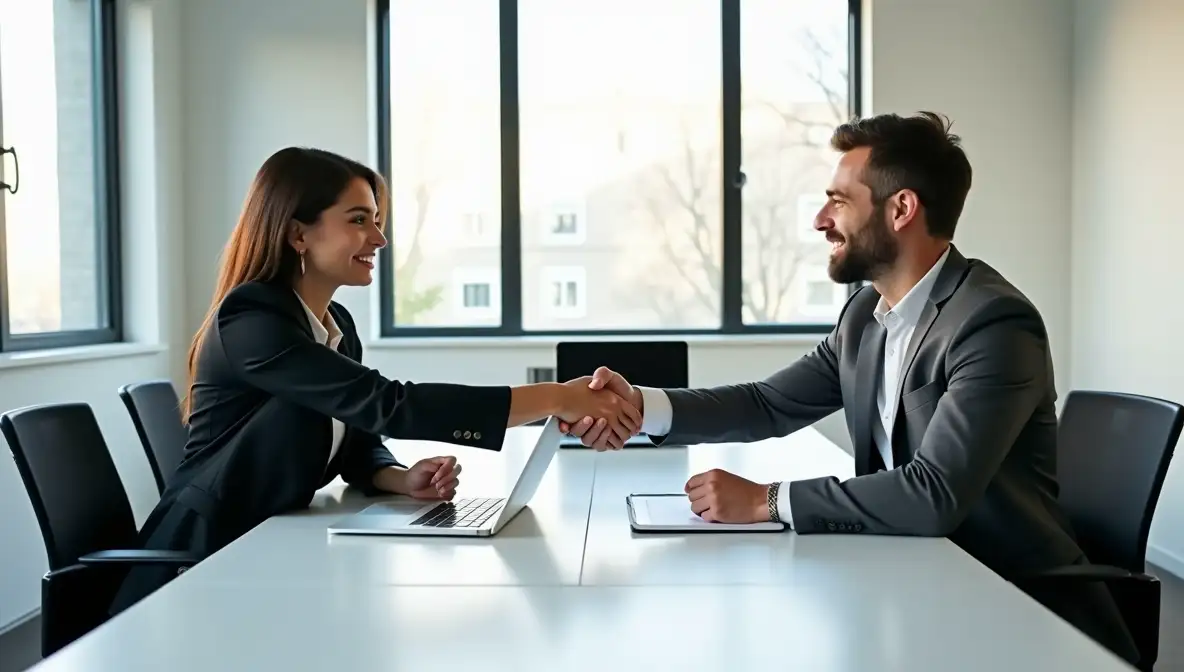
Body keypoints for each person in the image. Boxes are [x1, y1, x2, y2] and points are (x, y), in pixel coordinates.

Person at [561, 112, 1140, 664]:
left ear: (901, 209)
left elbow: (933, 493)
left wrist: (767, 500)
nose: (820, 220)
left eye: (838, 201)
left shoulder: (991, 323)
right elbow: (769, 403)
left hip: (1014, 608)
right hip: (918, 580)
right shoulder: (866, 315)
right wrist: (643, 406)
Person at [109, 147, 640, 615]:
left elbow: (361, 437)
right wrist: (555, 397)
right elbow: (387, 403)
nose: (379, 238)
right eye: (359, 219)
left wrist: (399, 478)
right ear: (298, 232)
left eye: (378, 219)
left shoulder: (337, 326)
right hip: (205, 560)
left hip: (274, 544)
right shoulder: (251, 320)